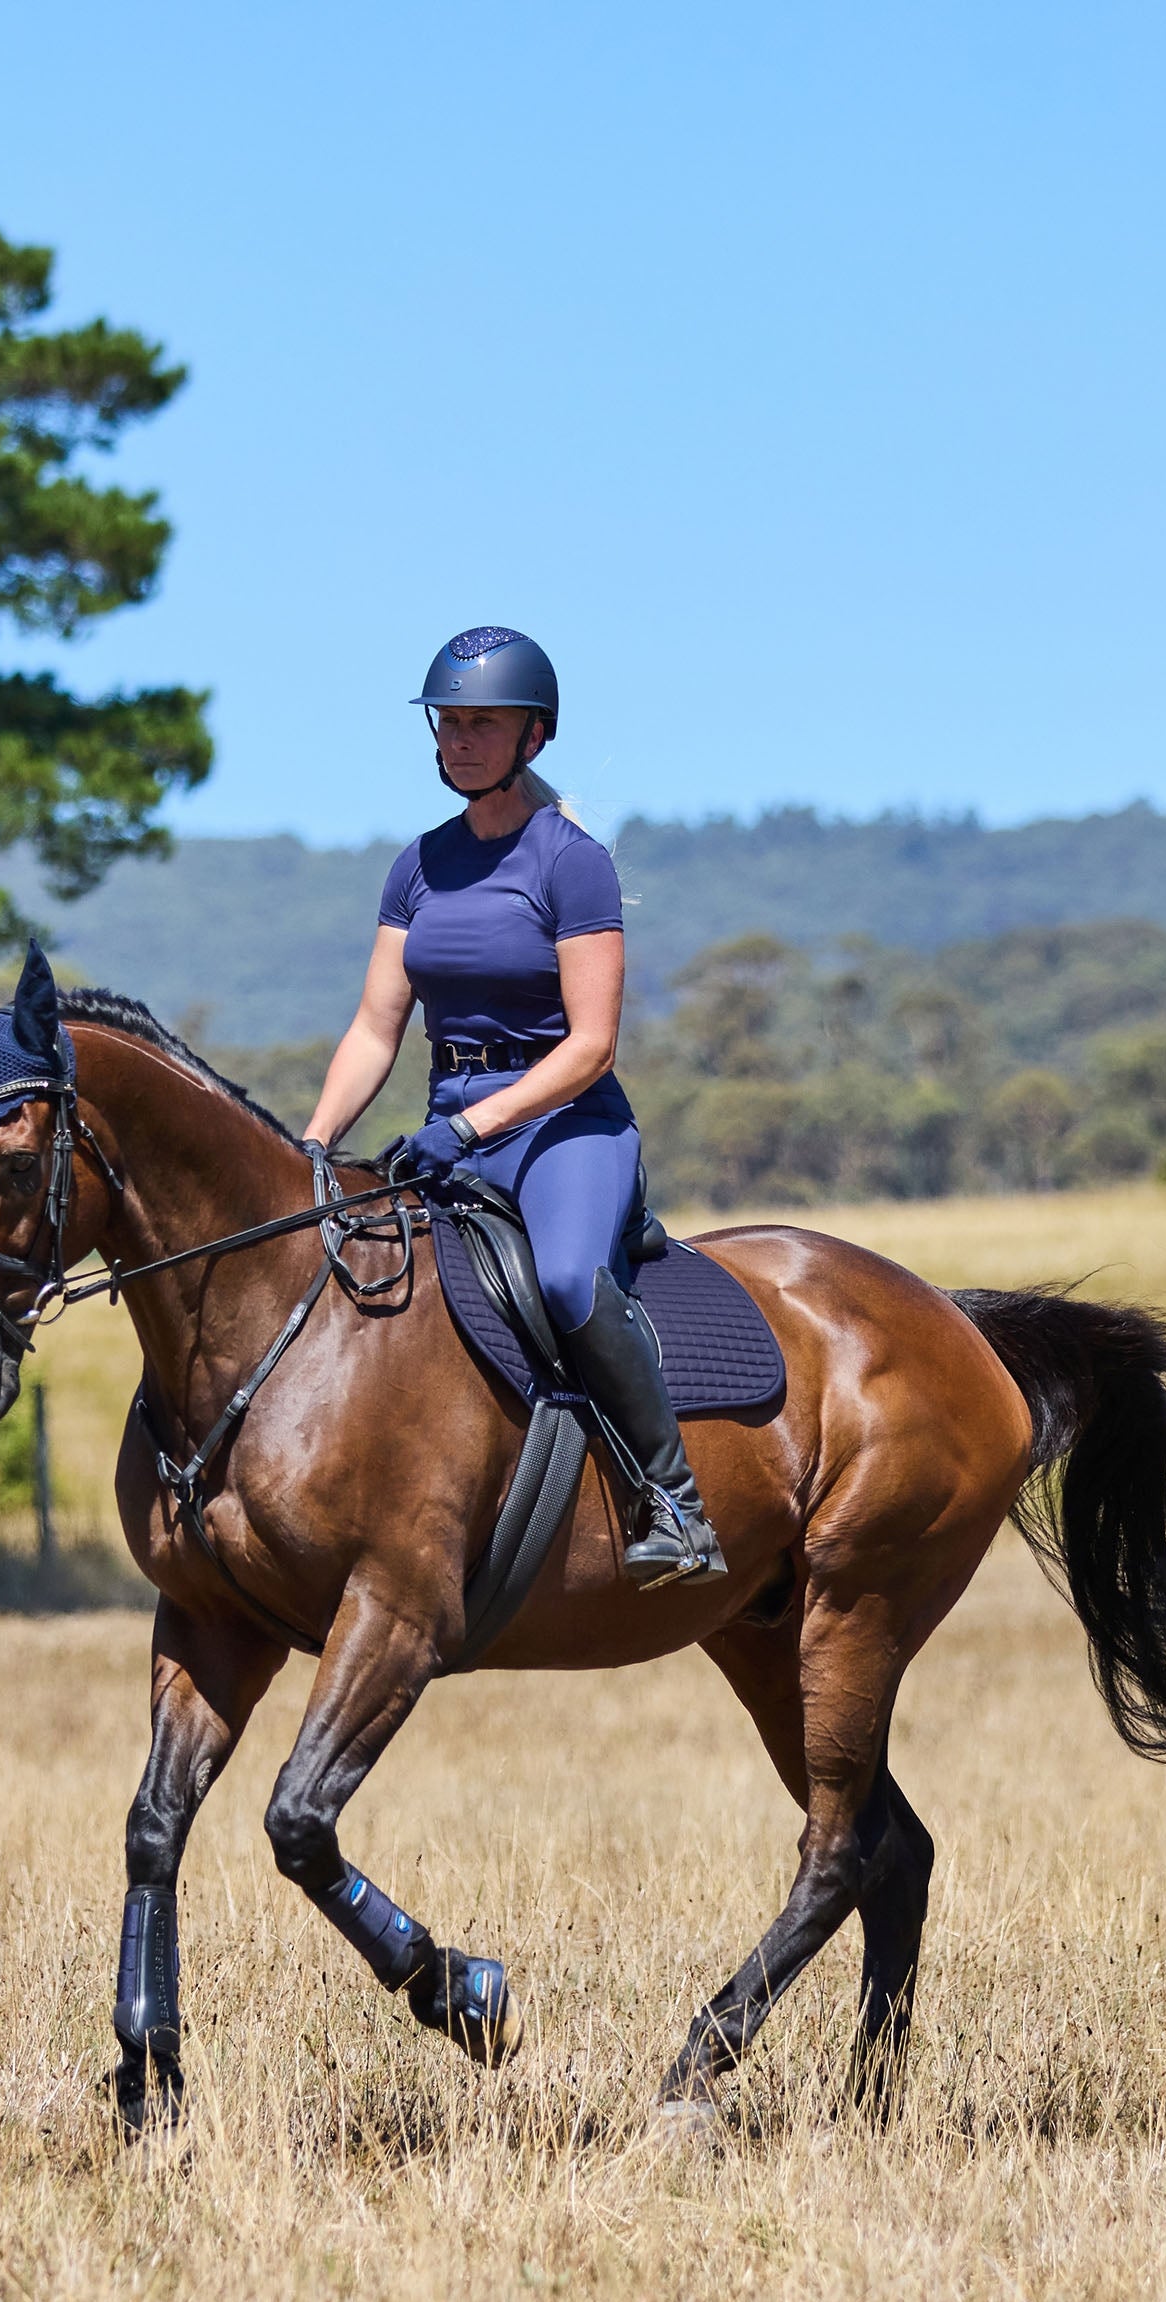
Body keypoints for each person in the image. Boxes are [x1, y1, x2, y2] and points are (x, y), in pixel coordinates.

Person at [302, 625, 725, 1587]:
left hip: (564, 1125)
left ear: (535, 735)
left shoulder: (571, 863)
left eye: (481, 724)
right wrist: (317, 1144)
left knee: (572, 1283)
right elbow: (375, 1028)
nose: (458, 740)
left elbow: (591, 1045)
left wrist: (473, 1126)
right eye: (447, 723)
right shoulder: (417, 866)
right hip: (445, 1121)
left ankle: (677, 1503)